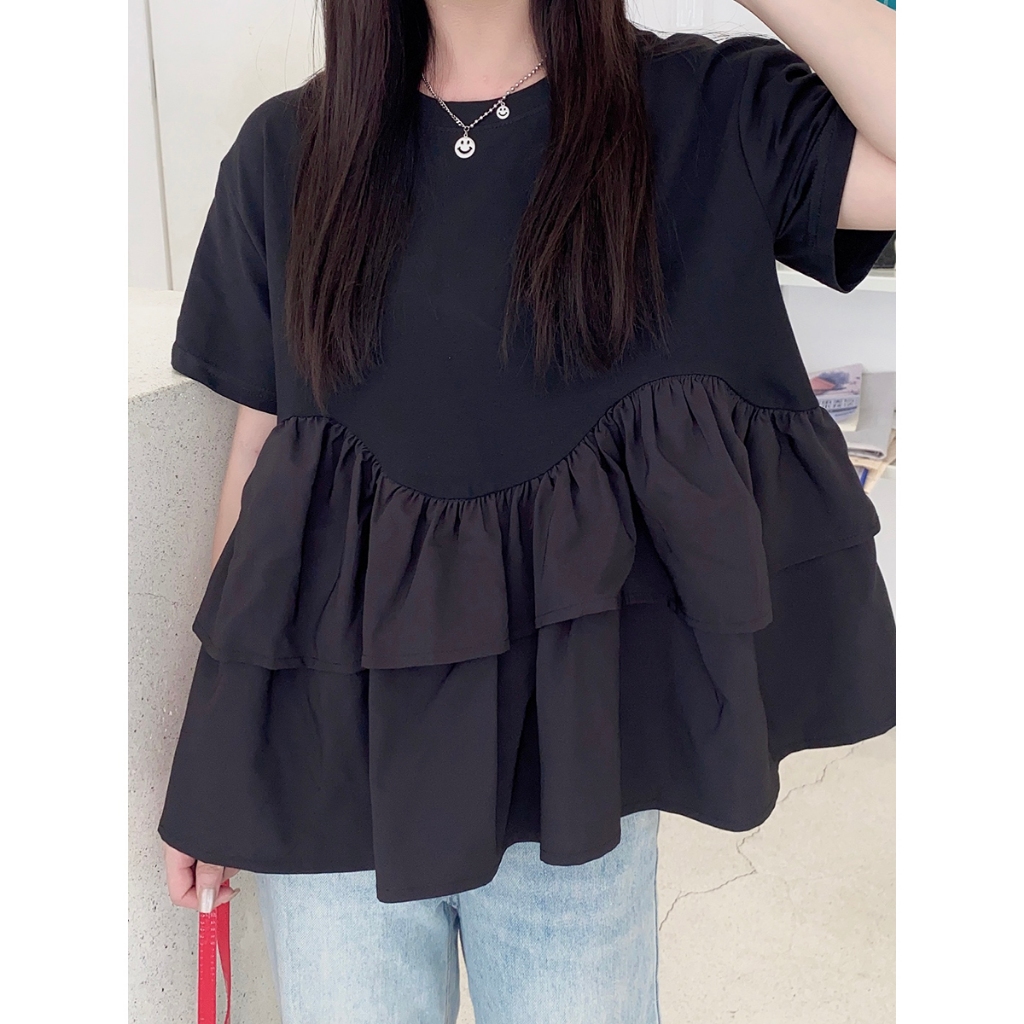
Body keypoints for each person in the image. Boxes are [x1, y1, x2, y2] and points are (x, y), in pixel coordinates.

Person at [159, 0, 896, 1019]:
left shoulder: (701, 110)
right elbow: (264, 463)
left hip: (575, 781)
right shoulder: (285, 151)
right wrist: (218, 763)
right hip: (334, 769)